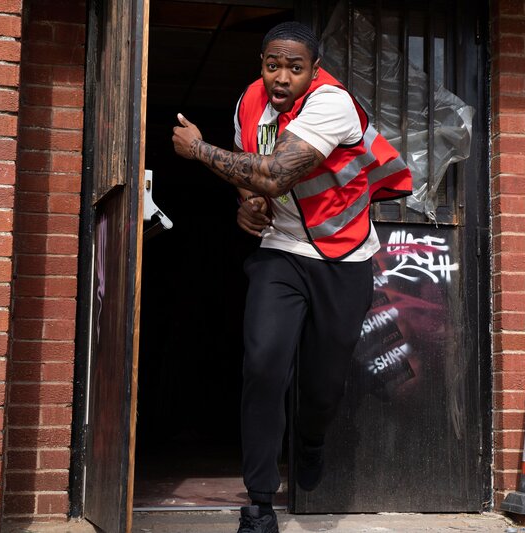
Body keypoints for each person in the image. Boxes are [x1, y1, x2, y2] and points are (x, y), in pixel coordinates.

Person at [172, 21, 412, 533]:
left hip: (343, 255)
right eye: (272, 65)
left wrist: (198, 149)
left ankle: (311, 437)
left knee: (323, 385)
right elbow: (251, 171)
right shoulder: (249, 103)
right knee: (262, 365)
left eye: (295, 68)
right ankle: (259, 504)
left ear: (314, 69)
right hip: (281, 251)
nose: (281, 77)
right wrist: (249, 204)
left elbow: (276, 172)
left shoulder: (332, 103)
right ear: (261, 64)